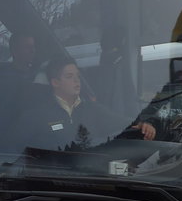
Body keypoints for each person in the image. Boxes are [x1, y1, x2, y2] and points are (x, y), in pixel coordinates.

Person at [18, 58, 155, 152]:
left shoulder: (92, 109)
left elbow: (123, 123)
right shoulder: (36, 115)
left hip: (91, 180)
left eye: (78, 76)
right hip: (50, 185)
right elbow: (14, 154)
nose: (77, 81)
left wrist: (143, 125)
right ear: (55, 82)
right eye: (69, 77)